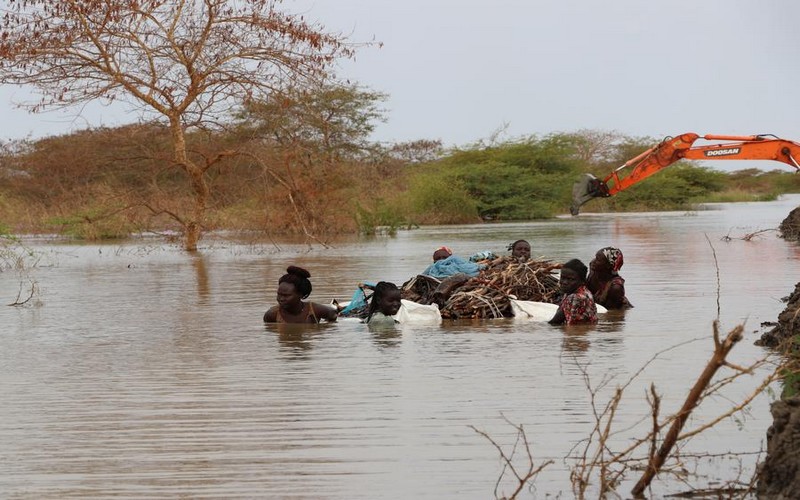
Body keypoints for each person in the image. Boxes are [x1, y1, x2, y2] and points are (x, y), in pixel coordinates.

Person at [263, 266, 338, 323]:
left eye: (286, 295)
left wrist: (321, 329)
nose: (281, 299)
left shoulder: (314, 310)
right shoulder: (272, 314)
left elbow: (333, 313)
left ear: (301, 294)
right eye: (279, 294)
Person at [549, 259, 598, 325]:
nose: (564, 282)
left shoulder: (574, 297)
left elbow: (555, 323)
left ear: (582, 281)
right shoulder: (585, 291)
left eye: (570, 279)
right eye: (562, 278)